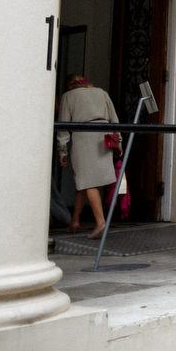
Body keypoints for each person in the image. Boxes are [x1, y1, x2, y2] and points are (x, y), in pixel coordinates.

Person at [56, 75, 122, 239]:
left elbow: (63, 125)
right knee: (84, 181)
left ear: (70, 85)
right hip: (103, 136)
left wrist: (62, 151)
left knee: (87, 181)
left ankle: (100, 222)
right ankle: (75, 221)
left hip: (84, 137)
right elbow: (114, 118)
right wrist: (118, 140)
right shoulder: (101, 92)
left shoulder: (68, 96)